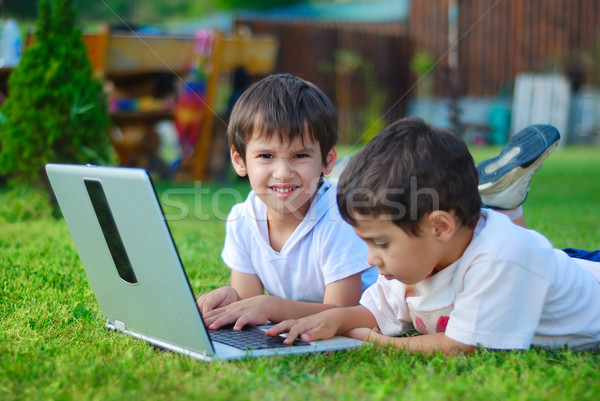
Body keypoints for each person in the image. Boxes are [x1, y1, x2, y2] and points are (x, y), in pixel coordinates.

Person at [267, 117, 600, 353]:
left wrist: (373, 341)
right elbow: (379, 314)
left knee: (533, 254)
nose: (371, 258)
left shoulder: (499, 258)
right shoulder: (415, 259)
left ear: (440, 227)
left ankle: (505, 209)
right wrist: (335, 319)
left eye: (380, 243)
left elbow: (459, 346)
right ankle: (505, 206)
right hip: (554, 266)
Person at [196, 73, 378, 331]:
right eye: (266, 155)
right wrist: (232, 298)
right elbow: (250, 303)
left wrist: (271, 306)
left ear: (327, 161)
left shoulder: (339, 217)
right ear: (239, 161)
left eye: (300, 155)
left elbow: (340, 314)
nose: (282, 172)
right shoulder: (242, 220)